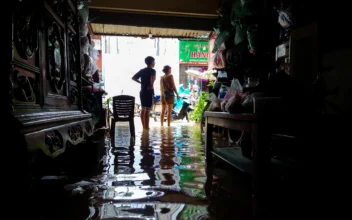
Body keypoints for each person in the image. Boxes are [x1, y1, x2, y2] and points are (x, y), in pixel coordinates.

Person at [132, 56, 156, 130]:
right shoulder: (153, 71)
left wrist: (141, 83)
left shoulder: (142, 70)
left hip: (142, 91)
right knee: (148, 110)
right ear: (152, 62)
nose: (155, 63)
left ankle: (144, 127)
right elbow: (152, 78)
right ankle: (147, 127)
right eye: (154, 61)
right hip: (149, 91)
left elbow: (133, 78)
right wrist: (151, 85)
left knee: (143, 109)